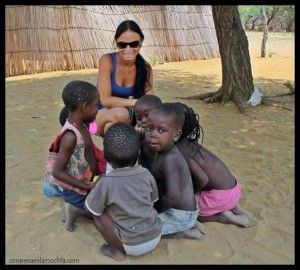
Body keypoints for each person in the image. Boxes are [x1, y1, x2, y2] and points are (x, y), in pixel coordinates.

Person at [85, 123, 162, 261]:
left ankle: (117, 250)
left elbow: (91, 208)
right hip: (156, 236)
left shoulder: (106, 182)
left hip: (130, 245)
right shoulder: (146, 173)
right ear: (138, 154)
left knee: (98, 213)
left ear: (106, 158)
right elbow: (153, 201)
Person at [172, 102, 257, 227]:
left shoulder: (179, 149)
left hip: (219, 197)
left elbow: (202, 179)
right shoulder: (188, 142)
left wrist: (190, 195)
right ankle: (234, 207)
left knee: (188, 209)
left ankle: (222, 217)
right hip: (233, 189)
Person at [143, 103, 206, 239]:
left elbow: (172, 197)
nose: (153, 135)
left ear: (176, 135)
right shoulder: (158, 150)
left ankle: (181, 231)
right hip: (177, 208)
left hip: (179, 214)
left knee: (140, 230)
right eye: (149, 128)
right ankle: (188, 223)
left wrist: (153, 211)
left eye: (161, 130)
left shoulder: (171, 159)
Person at [45, 80, 100, 231]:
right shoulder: (70, 136)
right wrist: (83, 186)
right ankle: (72, 211)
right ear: (84, 107)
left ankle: (72, 208)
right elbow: (57, 171)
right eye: (95, 105)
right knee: (98, 214)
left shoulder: (82, 124)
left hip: (85, 182)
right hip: (77, 190)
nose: (97, 110)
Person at [95, 20, 153, 136]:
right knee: (122, 114)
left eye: (133, 44)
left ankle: (113, 150)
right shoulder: (107, 61)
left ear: (141, 42)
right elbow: (105, 101)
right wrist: (136, 102)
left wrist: (140, 121)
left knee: (112, 127)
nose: (128, 49)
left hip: (124, 118)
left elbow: (150, 102)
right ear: (116, 43)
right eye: (122, 44)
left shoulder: (146, 68)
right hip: (95, 120)